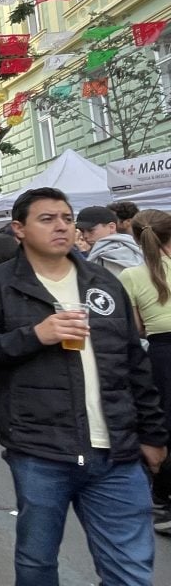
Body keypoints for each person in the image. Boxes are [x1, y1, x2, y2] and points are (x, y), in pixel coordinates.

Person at [0, 187, 167, 586]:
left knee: (130, 571)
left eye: (67, 219)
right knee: (38, 564)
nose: (62, 227)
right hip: (41, 449)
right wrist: (34, 335)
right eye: (48, 219)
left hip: (117, 453)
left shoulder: (103, 282)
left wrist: (152, 433)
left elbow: (134, 362)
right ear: (19, 229)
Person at [118, 209, 171, 529]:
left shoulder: (131, 276)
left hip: (162, 353)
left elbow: (134, 328)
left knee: (163, 422)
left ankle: (163, 500)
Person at [76, 205, 144, 276]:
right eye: (82, 231)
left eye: (91, 230)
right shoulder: (134, 246)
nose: (85, 236)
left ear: (111, 227)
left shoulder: (108, 253)